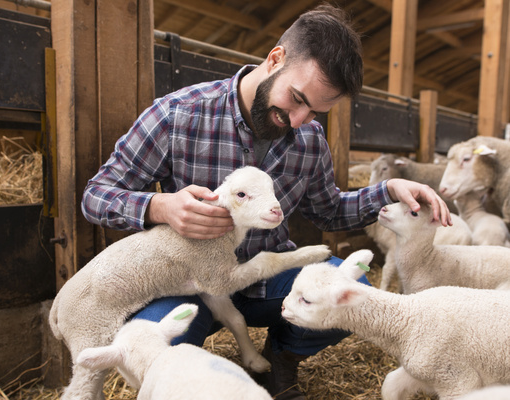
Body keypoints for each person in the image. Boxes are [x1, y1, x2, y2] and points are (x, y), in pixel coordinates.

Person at [81, 4, 451, 399]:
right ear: (276, 58)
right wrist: (160, 207)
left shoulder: (309, 140)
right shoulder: (178, 114)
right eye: (296, 98)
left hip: (267, 277)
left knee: (352, 289)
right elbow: (97, 195)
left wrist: (390, 189)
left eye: (315, 112)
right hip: (189, 283)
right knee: (152, 349)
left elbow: (329, 210)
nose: (297, 119)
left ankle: (281, 358)